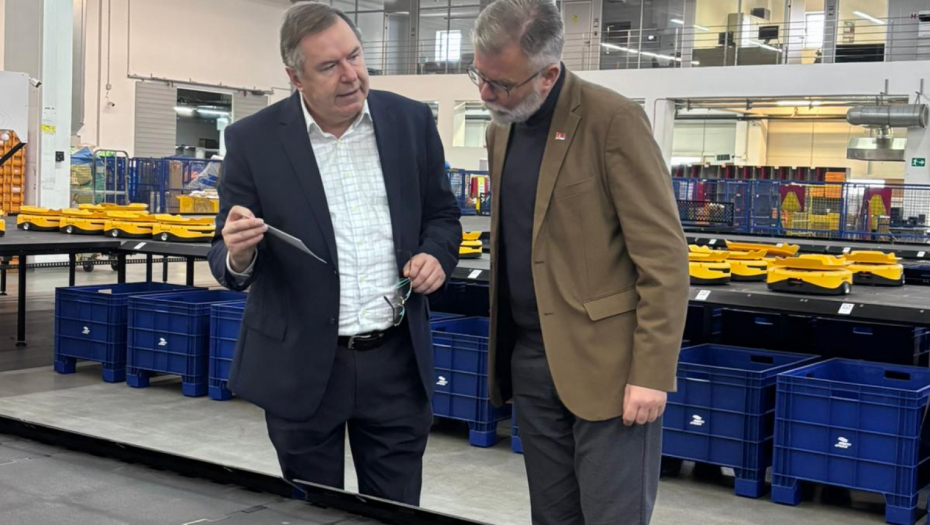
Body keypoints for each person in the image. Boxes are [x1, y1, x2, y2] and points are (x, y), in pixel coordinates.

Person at [207, 2, 461, 506]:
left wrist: (436, 255)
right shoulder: (253, 141)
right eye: (329, 66)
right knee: (313, 510)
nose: (351, 75)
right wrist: (238, 254)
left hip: (395, 360)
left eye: (355, 56)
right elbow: (226, 253)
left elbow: (443, 215)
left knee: (395, 511)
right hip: (302, 364)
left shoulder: (410, 121)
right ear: (295, 78)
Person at [471, 0, 689, 523]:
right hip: (531, 362)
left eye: (500, 84)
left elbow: (664, 256)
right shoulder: (500, 130)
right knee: (551, 518)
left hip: (609, 370)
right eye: (479, 76)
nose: (485, 95)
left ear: (548, 74)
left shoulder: (612, 121)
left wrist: (651, 373)